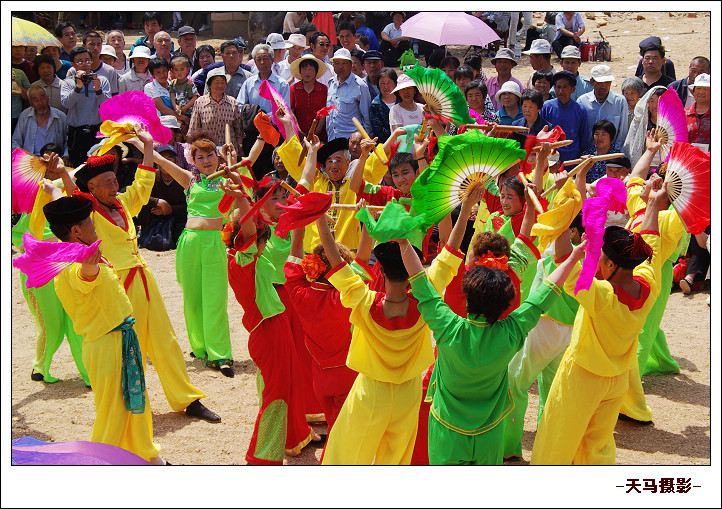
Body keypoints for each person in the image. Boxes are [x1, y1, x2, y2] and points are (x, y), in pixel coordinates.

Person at [399, 200, 581, 465]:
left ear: (468, 292)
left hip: (446, 429)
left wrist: (404, 242)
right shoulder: (513, 330)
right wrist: (575, 256)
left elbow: (418, 277)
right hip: (490, 431)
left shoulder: (448, 327)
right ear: (506, 298)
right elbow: (545, 293)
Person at [73, 128, 220, 424]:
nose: (115, 186)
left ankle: (187, 398)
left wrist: (149, 145)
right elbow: (67, 191)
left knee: (164, 339)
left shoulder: (124, 204)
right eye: (107, 183)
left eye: (115, 180)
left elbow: (142, 181)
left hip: (143, 278)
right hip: (115, 286)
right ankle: (131, 406)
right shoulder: (86, 215)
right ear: (91, 188)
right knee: (127, 346)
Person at [531, 185, 667, 465]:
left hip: (582, 376)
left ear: (611, 265)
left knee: (557, 438)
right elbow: (650, 239)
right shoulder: (648, 282)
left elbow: (562, 263)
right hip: (616, 379)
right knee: (598, 445)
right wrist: (653, 204)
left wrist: (564, 222)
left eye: (601, 257)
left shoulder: (602, 295)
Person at [44, 193, 165, 464]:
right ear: (75, 231)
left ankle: (146, 453)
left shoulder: (79, 254)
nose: (94, 223)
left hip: (119, 337)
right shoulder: (72, 263)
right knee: (113, 412)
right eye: (89, 220)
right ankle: (97, 466)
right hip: (105, 344)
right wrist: (88, 264)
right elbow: (84, 276)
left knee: (135, 401)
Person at [222, 177, 321, 465]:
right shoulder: (242, 261)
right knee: (276, 392)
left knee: (287, 384)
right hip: (266, 330)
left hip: (276, 324)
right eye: (260, 239)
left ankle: (292, 439)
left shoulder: (254, 259)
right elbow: (249, 228)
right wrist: (242, 199)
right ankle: (262, 456)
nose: (263, 243)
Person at [11, 153, 89, 386]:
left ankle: (88, 372)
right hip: (41, 267)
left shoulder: (68, 192)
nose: (53, 171)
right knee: (52, 323)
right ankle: (40, 365)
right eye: (49, 167)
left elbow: (76, 177)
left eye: (57, 167)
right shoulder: (31, 198)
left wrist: (63, 171)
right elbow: (19, 239)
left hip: (67, 263)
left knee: (76, 320)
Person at [60, 47, 111, 167]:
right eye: (80, 61)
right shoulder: (67, 82)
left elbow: (107, 106)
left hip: (96, 131)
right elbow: (66, 104)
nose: (84, 64)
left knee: (99, 166)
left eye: (87, 60)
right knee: (78, 168)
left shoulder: (101, 80)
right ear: (72, 64)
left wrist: (98, 90)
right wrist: (77, 87)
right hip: (77, 133)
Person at [137, 144, 187, 249]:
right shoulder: (152, 177)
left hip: (176, 218)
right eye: (163, 159)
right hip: (154, 217)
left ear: (176, 162)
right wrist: (158, 202)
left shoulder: (182, 178)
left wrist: (170, 209)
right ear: (157, 163)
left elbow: (187, 205)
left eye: (170, 159)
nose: (166, 162)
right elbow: (140, 195)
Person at [188, 68, 244, 155]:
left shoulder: (232, 102)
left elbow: (238, 130)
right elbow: (194, 129)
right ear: (209, 85)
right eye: (216, 82)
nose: (220, 85)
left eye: (222, 82)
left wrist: (240, 148)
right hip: (207, 152)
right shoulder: (200, 102)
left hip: (228, 151)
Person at [541, 70, 589, 163]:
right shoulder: (546, 107)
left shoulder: (580, 109)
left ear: (573, 89)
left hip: (572, 158)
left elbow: (584, 137)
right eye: (558, 87)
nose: (561, 91)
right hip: (550, 158)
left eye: (564, 88)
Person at [326, 48, 372, 141]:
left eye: (344, 63)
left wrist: (365, 141)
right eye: (337, 63)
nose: (340, 67)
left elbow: (367, 117)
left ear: (351, 65)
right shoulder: (331, 83)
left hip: (352, 141)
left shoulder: (360, 85)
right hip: (332, 138)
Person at [577, 64, 629, 148]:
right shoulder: (582, 101)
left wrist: (616, 153)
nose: (604, 86)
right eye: (600, 82)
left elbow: (622, 132)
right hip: (587, 152)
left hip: (611, 153)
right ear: (592, 82)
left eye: (607, 82)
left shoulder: (620, 101)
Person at [12, 85, 68, 158]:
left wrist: (66, 156)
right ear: (30, 103)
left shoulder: (60, 117)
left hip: (54, 160)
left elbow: (68, 142)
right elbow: (15, 142)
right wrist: (24, 157)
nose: (40, 103)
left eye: (42, 98)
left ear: (48, 99)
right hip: (30, 160)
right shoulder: (24, 116)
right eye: (35, 100)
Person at [238, 44, 291, 115]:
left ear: (272, 60)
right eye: (258, 59)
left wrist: (265, 118)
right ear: (255, 62)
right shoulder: (248, 83)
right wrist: (253, 116)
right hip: (252, 124)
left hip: (274, 124)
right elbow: (240, 106)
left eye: (265, 58)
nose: (262, 62)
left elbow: (285, 110)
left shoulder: (282, 84)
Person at [623, 85, 666, 168]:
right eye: (651, 101)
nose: (654, 106)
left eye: (659, 101)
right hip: (643, 165)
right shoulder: (639, 122)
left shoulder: (672, 124)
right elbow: (631, 146)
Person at [65, 31, 120, 96]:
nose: (96, 48)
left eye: (99, 45)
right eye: (92, 44)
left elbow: (113, 96)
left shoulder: (110, 71)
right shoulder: (73, 70)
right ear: (84, 46)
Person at [289, 54, 328, 139]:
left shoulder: (323, 89)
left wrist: (316, 132)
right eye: (304, 69)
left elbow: (324, 113)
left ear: (316, 71)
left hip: (319, 136)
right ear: (300, 71)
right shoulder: (293, 89)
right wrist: (299, 131)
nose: (307, 72)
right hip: (298, 136)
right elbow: (291, 112)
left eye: (310, 69)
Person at [369, 67, 399, 143]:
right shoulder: (375, 105)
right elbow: (379, 131)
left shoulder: (402, 100)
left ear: (395, 83)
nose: (386, 87)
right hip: (385, 145)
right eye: (382, 83)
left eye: (389, 83)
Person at [169, 55, 199, 130]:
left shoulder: (190, 84)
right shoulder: (173, 83)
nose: (179, 72)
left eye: (182, 69)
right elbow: (172, 94)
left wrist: (185, 108)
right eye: (176, 70)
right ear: (172, 71)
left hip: (189, 111)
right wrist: (175, 106)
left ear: (187, 70)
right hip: (177, 111)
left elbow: (195, 97)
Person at [685, 73, 711, 149]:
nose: (701, 92)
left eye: (705, 89)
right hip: (688, 158)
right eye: (698, 88)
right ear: (693, 92)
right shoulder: (684, 114)